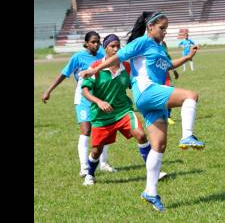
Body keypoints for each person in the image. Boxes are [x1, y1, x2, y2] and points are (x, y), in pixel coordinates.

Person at [80, 11, 205, 212]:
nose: (165, 32)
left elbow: (168, 65)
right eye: (161, 28)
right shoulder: (142, 42)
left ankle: (150, 192)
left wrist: (188, 56)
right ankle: (187, 136)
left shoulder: (158, 48)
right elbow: (118, 56)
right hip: (147, 91)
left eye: (166, 28)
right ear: (150, 27)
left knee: (159, 145)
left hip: (152, 100)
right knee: (191, 95)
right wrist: (94, 70)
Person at [81, 34, 167, 185]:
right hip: (101, 116)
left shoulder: (127, 67)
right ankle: (90, 174)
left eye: (118, 46)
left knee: (140, 135)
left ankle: (154, 172)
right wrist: (99, 102)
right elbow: (85, 91)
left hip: (123, 111)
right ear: (105, 48)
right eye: (112, 46)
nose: (115, 49)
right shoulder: (95, 66)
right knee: (96, 151)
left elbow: (137, 83)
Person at [41, 31, 117, 177]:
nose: (96, 44)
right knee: (86, 131)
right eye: (93, 42)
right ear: (86, 43)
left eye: (98, 42)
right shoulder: (77, 57)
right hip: (83, 98)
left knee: (103, 130)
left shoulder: (103, 55)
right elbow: (64, 74)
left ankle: (104, 163)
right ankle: (84, 166)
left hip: (100, 98)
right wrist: (49, 90)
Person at [162, 40, 179, 125]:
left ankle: (167, 116)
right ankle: (165, 116)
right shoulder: (149, 44)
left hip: (166, 74)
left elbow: (168, 58)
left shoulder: (163, 43)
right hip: (156, 75)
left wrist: (174, 70)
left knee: (170, 94)